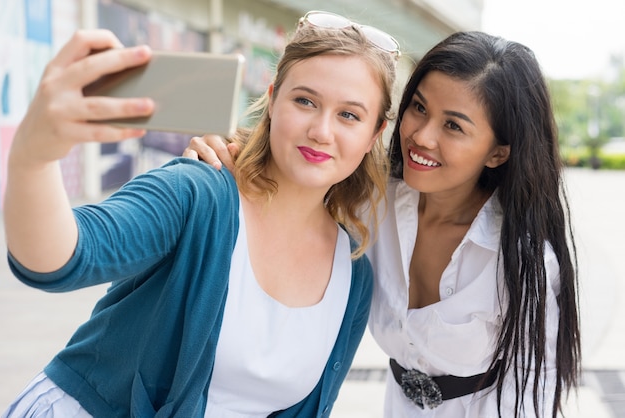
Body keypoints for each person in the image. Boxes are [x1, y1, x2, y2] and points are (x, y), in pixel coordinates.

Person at [1, 10, 401, 417]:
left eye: (349, 115)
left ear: (374, 134)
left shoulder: (353, 276)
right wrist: (33, 158)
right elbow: (64, 257)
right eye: (304, 101)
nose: (321, 130)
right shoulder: (198, 191)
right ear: (273, 98)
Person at [185, 30, 581, 418]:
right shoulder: (371, 199)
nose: (421, 136)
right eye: (420, 108)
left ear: (497, 152)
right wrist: (216, 159)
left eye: (454, 126)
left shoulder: (524, 259)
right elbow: (299, 157)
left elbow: (538, 386)